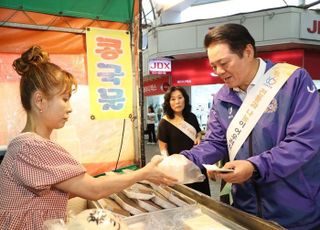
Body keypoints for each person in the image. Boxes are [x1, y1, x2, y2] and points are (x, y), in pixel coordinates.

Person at [0, 46, 177, 229]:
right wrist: (144, 173)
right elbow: (94, 189)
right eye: (64, 98)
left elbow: (68, 189)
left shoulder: (26, 143)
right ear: (40, 100)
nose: (69, 108)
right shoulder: (33, 146)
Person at [179, 23, 320, 229]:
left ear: (247, 51)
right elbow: (214, 142)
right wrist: (185, 160)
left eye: (224, 63)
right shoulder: (222, 97)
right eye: (213, 66)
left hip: (297, 211)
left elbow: (304, 140)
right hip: (245, 211)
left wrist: (255, 167)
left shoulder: (292, 81)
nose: (218, 71)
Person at [157, 86, 211, 196]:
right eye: (173, 99)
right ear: (168, 102)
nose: (177, 102)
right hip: (178, 169)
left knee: (202, 197)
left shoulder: (192, 117)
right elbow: (163, 149)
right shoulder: (164, 123)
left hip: (196, 164)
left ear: (185, 99)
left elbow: (199, 132)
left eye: (180, 98)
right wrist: (168, 169)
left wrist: (199, 136)